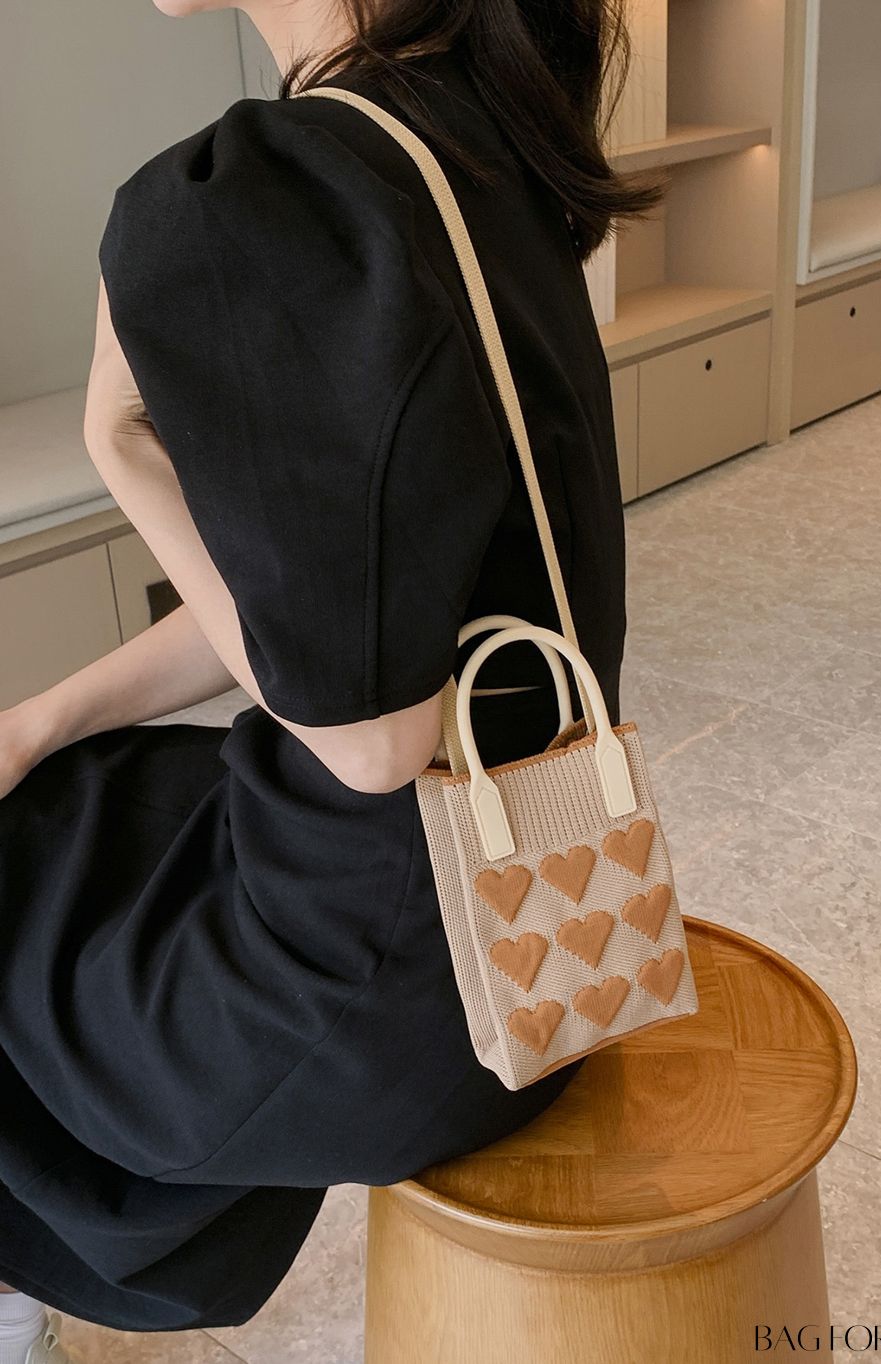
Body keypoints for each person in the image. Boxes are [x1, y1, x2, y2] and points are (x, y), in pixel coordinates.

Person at [0, 0, 663, 1353]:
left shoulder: (264, 193)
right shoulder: (473, 129)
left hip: (371, 997)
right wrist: (40, 717)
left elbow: (367, 739)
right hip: (544, 930)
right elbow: (342, 618)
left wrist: (121, 450)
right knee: (90, 791)